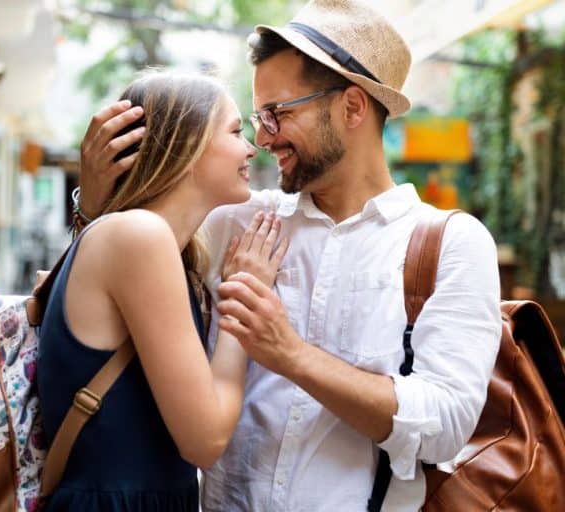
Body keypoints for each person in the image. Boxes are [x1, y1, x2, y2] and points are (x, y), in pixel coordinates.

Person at [74, 1, 503, 510]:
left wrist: (292, 355)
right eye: (257, 118)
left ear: (352, 107)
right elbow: (103, 298)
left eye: (278, 113)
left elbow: (445, 424)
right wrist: (96, 201)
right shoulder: (235, 220)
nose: (262, 137)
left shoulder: (451, 244)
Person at [37, 71, 288, 511]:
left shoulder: (162, 245)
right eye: (234, 131)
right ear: (184, 146)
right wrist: (241, 296)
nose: (251, 147)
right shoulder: (140, 236)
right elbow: (205, 439)